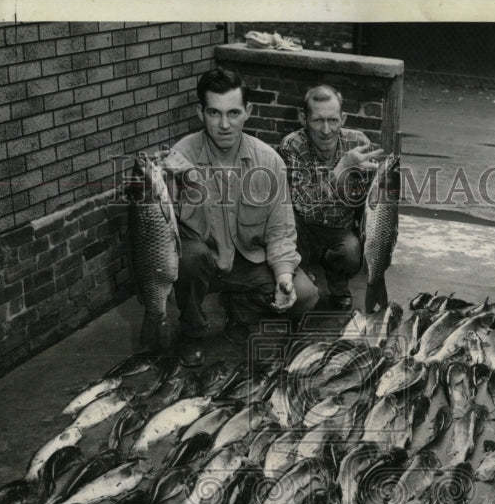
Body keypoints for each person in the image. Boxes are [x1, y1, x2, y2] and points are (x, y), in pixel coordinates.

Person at [157, 69, 318, 368]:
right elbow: (167, 232)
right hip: (203, 261)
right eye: (214, 113)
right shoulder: (180, 157)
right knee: (190, 256)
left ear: (248, 112)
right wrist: (174, 182)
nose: (224, 124)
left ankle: (240, 311)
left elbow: (280, 231)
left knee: (306, 296)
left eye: (233, 112)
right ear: (200, 113)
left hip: (247, 261)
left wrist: (284, 277)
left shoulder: (269, 161)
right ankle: (192, 332)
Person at [279, 84, 383, 311]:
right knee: (302, 294)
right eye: (318, 120)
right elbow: (305, 206)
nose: (326, 130)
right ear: (303, 118)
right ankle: (303, 272)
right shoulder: (292, 145)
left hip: (339, 226)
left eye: (333, 120)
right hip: (302, 228)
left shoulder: (358, 142)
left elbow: (371, 200)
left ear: (343, 118)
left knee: (350, 253)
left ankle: (338, 284)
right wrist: (342, 167)